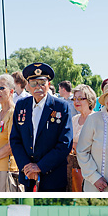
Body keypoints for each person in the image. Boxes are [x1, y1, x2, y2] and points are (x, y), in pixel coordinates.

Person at [10, 62, 72, 192]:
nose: (38, 87)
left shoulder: (61, 106)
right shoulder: (21, 105)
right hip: (28, 176)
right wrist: (26, 166)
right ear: (27, 86)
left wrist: (40, 166)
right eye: (33, 83)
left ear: (48, 85)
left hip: (52, 176)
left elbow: (65, 143)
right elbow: (15, 139)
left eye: (42, 83)